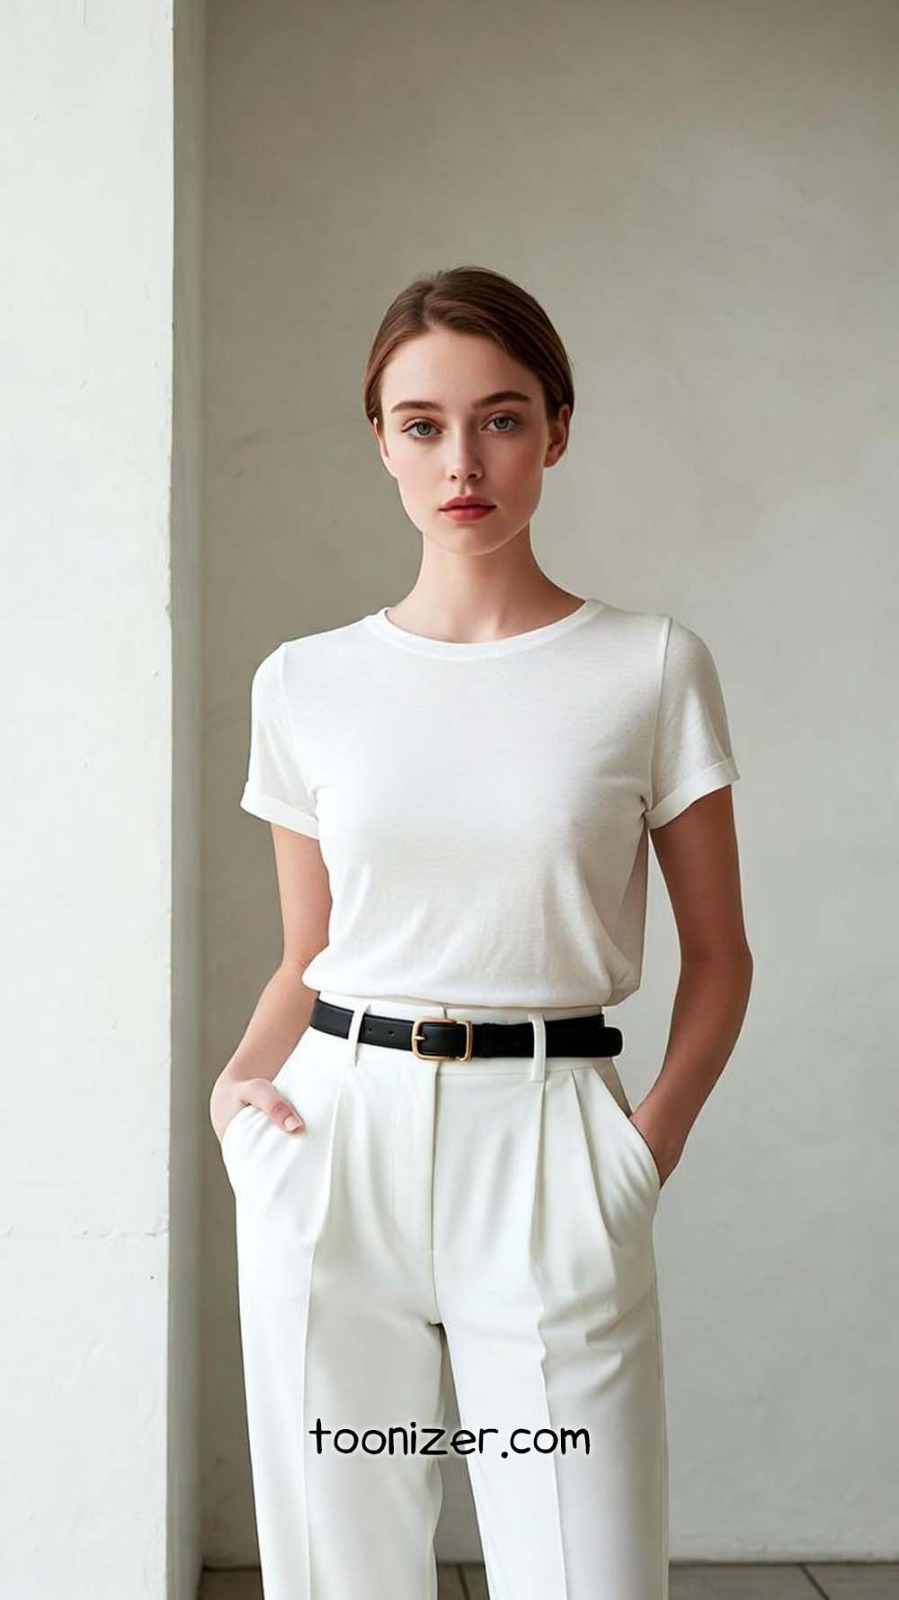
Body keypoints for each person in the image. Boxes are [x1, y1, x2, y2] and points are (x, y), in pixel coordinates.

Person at [209, 264, 753, 1600]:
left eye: (502, 419)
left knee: (586, 1575)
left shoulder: (651, 667)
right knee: (342, 1577)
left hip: (554, 1136)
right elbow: (307, 949)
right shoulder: (307, 684)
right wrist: (236, 1097)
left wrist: (646, 1148)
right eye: (423, 424)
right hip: (336, 1138)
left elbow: (722, 957)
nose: (464, 460)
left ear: (556, 430)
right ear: (383, 442)